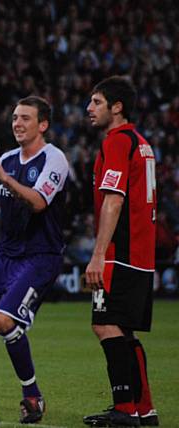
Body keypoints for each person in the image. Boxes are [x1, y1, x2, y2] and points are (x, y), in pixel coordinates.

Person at [0, 96, 69, 424]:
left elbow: (38, 203)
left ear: (42, 125)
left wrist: (4, 177)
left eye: (25, 118)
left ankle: (32, 396)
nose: (17, 123)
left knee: (4, 320)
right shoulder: (7, 159)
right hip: (7, 256)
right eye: (15, 117)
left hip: (39, 257)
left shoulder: (54, 159)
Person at [82, 76, 158, 427]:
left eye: (96, 102)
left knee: (106, 325)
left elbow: (114, 199)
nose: (89, 108)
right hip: (141, 254)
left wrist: (98, 254)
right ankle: (145, 409)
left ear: (117, 107)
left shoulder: (117, 141)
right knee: (124, 330)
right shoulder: (142, 143)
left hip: (119, 252)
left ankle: (125, 410)